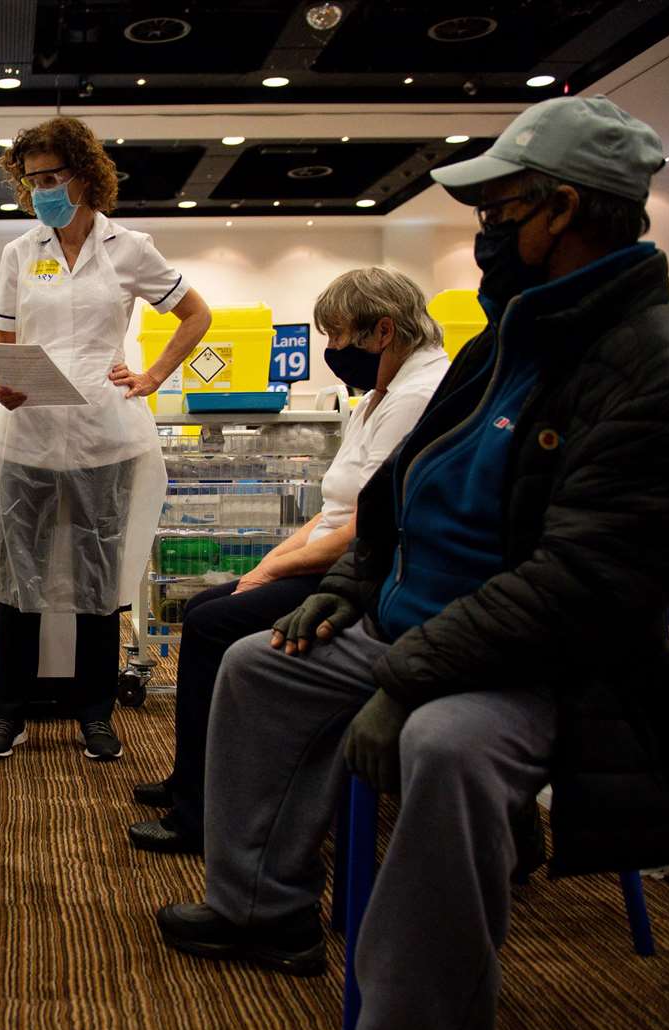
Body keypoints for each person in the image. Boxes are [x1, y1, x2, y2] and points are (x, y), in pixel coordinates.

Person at [154, 96, 669, 1030]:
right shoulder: (509, 343)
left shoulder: (666, 373)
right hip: (418, 631)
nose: (485, 234)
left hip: (552, 669)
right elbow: (395, 500)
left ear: (561, 210)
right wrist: (347, 584)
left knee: (443, 745)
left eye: (499, 210)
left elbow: (582, 588)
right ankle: (265, 911)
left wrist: (406, 678)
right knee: (260, 665)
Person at [128, 268, 448, 854]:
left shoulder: (418, 397)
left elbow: (370, 527)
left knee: (210, 622)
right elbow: (332, 508)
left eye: (337, 336)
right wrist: (268, 563)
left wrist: (270, 573)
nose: (330, 351)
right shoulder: (381, 393)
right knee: (207, 607)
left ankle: (201, 815)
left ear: (382, 330)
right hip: (336, 558)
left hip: (369, 579)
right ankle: (191, 783)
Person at [0, 116, 211, 762]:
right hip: (28, 437)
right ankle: (8, 713)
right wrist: (6, 384)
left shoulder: (129, 248)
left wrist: (154, 374)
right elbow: (4, 346)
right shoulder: (20, 254)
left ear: (84, 174)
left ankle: (96, 713)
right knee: (20, 578)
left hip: (105, 435)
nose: (44, 189)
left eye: (54, 176)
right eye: (34, 180)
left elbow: (197, 314)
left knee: (97, 579)